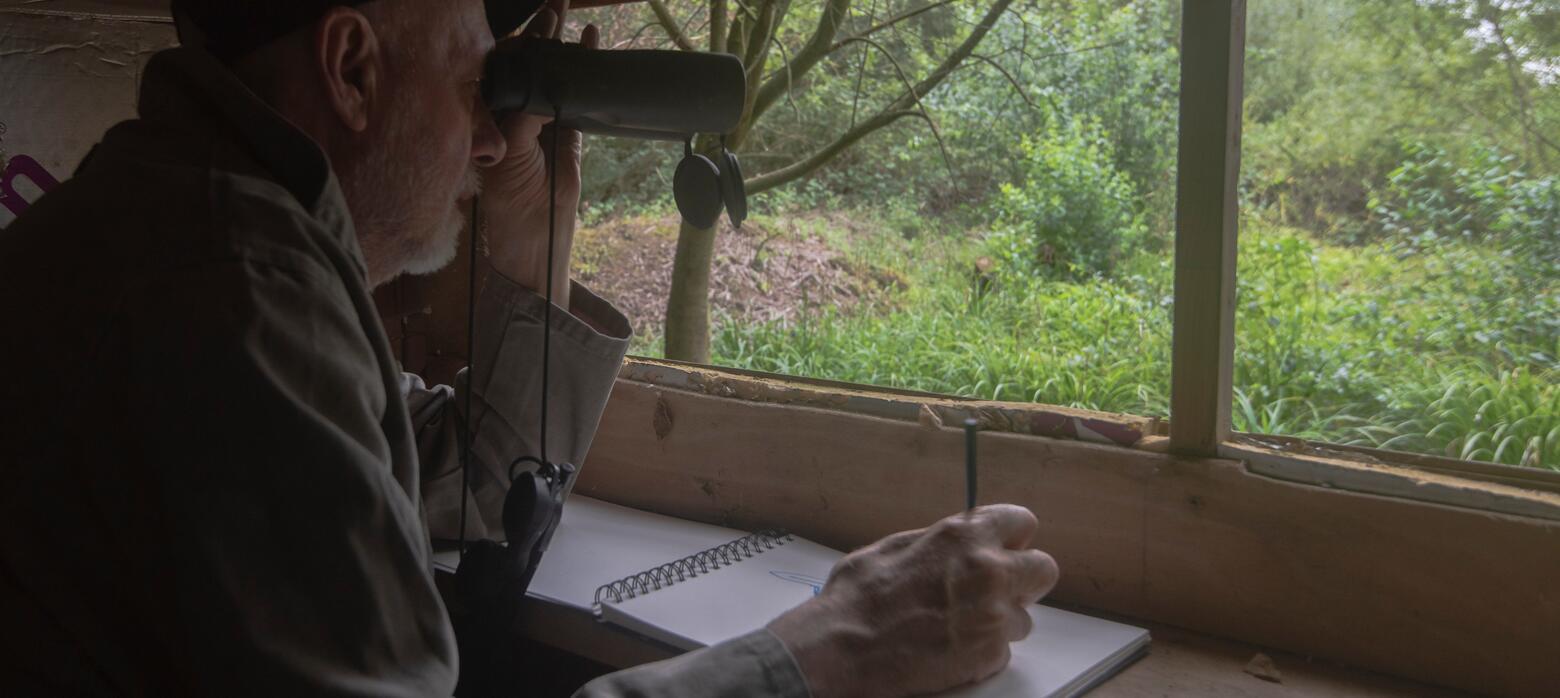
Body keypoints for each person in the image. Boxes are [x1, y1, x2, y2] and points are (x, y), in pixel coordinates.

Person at [0, 0, 1060, 695]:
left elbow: (463, 480)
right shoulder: (234, 292)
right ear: (353, 68)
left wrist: (533, 244)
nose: (494, 138)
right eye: (472, 88)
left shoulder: (170, 222)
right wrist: (834, 643)